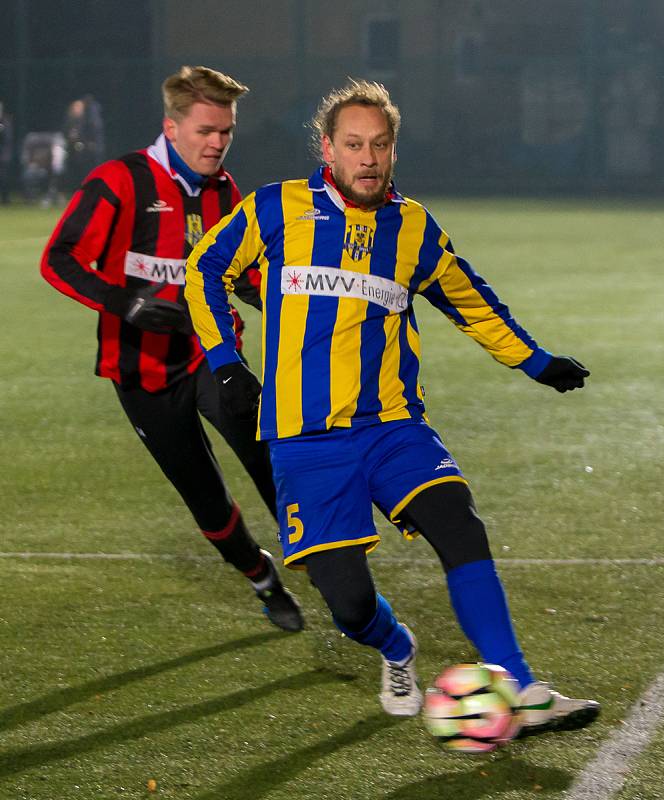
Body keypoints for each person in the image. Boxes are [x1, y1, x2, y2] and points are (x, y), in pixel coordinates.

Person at [184, 79, 599, 733]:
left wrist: (537, 362)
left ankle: (519, 688)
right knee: (347, 605)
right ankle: (395, 646)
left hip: (392, 427)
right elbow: (204, 267)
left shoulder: (412, 228)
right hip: (304, 438)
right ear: (327, 147)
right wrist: (224, 362)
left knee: (459, 523)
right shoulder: (276, 208)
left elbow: (472, 302)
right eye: (353, 144)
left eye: (379, 145)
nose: (368, 158)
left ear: (393, 152)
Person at [40, 65, 303, 633]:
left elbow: (240, 276)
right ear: (173, 126)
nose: (217, 143)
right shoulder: (120, 180)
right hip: (139, 370)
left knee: (269, 450)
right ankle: (261, 576)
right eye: (207, 131)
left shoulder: (225, 190)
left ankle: (326, 559)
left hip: (211, 352)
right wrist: (124, 303)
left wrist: (294, 311)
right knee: (205, 497)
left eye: (226, 132)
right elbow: (58, 259)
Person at [0, 101, 13, 203]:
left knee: (4, 176)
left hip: (2, 154)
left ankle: (5, 197)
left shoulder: (6, 121)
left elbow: (7, 139)